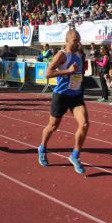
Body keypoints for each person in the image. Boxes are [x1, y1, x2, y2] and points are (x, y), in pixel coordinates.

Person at [38, 30, 89, 174]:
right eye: (75, 40)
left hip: (76, 96)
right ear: (67, 40)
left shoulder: (79, 55)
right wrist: (67, 71)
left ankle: (75, 156)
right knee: (52, 126)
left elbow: (78, 74)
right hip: (61, 95)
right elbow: (48, 73)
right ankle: (42, 148)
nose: (77, 43)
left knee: (84, 123)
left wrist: (79, 79)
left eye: (79, 40)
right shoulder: (61, 55)